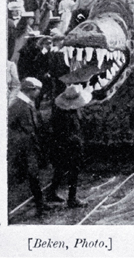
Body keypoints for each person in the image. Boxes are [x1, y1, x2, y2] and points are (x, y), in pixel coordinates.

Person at [8, 77, 49, 217]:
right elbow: (10, 125)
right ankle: (39, 205)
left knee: (34, 174)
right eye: (37, 90)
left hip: (31, 145)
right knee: (31, 174)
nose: (39, 93)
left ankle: (40, 203)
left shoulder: (27, 104)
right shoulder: (18, 105)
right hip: (24, 147)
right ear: (31, 90)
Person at [47, 84, 91, 208]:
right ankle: (72, 199)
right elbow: (66, 133)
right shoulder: (64, 115)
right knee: (73, 171)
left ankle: (52, 192)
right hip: (69, 146)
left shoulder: (67, 110)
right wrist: (77, 142)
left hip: (64, 145)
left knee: (60, 169)